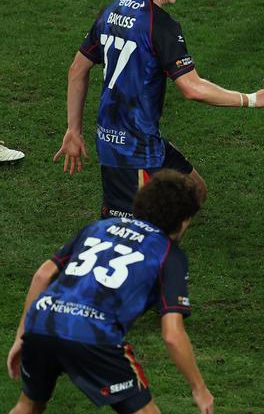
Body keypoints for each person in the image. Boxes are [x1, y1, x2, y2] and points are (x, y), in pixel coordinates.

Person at [53, 0, 264, 219]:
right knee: (130, 231)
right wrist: (250, 99)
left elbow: (77, 69)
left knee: (193, 190)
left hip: (130, 138)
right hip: (133, 150)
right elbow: (192, 88)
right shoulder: (161, 25)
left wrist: (74, 129)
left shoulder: (111, 11)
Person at [6, 170, 213, 413]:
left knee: (28, 406)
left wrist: (23, 334)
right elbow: (171, 333)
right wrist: (199, 388)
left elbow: (43, 275)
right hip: (93, 335)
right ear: (182, 220)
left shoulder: (98, 227)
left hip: (43, 323)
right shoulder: (169, 255)